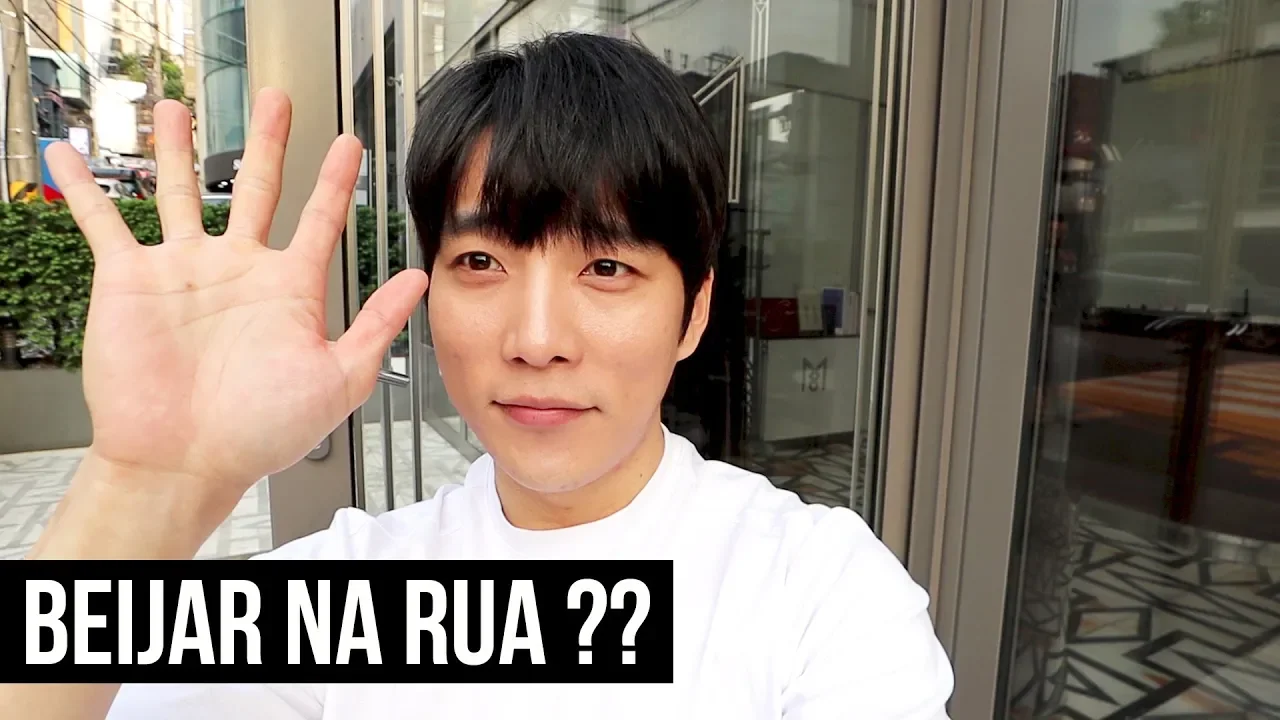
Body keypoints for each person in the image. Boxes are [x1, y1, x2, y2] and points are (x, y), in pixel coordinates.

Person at [10, 32, 953, 720]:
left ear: (695, 311)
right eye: (481, 263)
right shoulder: (345, 597)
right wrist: (149, 483)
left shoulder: (815, 590)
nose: (536, 340)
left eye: (607, 267)